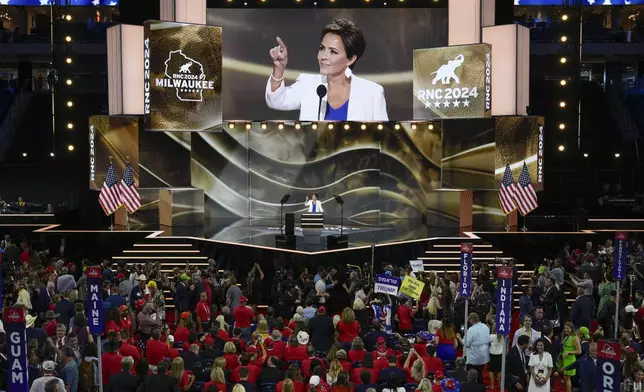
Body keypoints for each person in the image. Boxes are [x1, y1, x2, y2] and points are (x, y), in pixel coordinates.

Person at [265, 18, 388, 121]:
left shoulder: (372, 93)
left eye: (333, 52)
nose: (323, 57)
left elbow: (385, 139)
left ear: (350, 59)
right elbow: (276, 101)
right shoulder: (308, 84)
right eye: (322, 48)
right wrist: (279, 67)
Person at [464, 313, 489, 383]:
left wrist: (459, 337)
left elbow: (466, 343)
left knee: (474, 375)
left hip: (474, 358)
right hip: (484, 356)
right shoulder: (485, 326)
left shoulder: (471, 330)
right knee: (479, 373)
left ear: (471, 320)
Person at [560, 322, 581, 392]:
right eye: (565, 328)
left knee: (567, 378)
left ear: (572, 329)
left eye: (568, 328)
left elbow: (579, 351)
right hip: (564, 360)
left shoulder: (575, 338)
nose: (566, 330)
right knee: (566, 378)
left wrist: (569, 352)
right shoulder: (566, 337)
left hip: (570, 360)